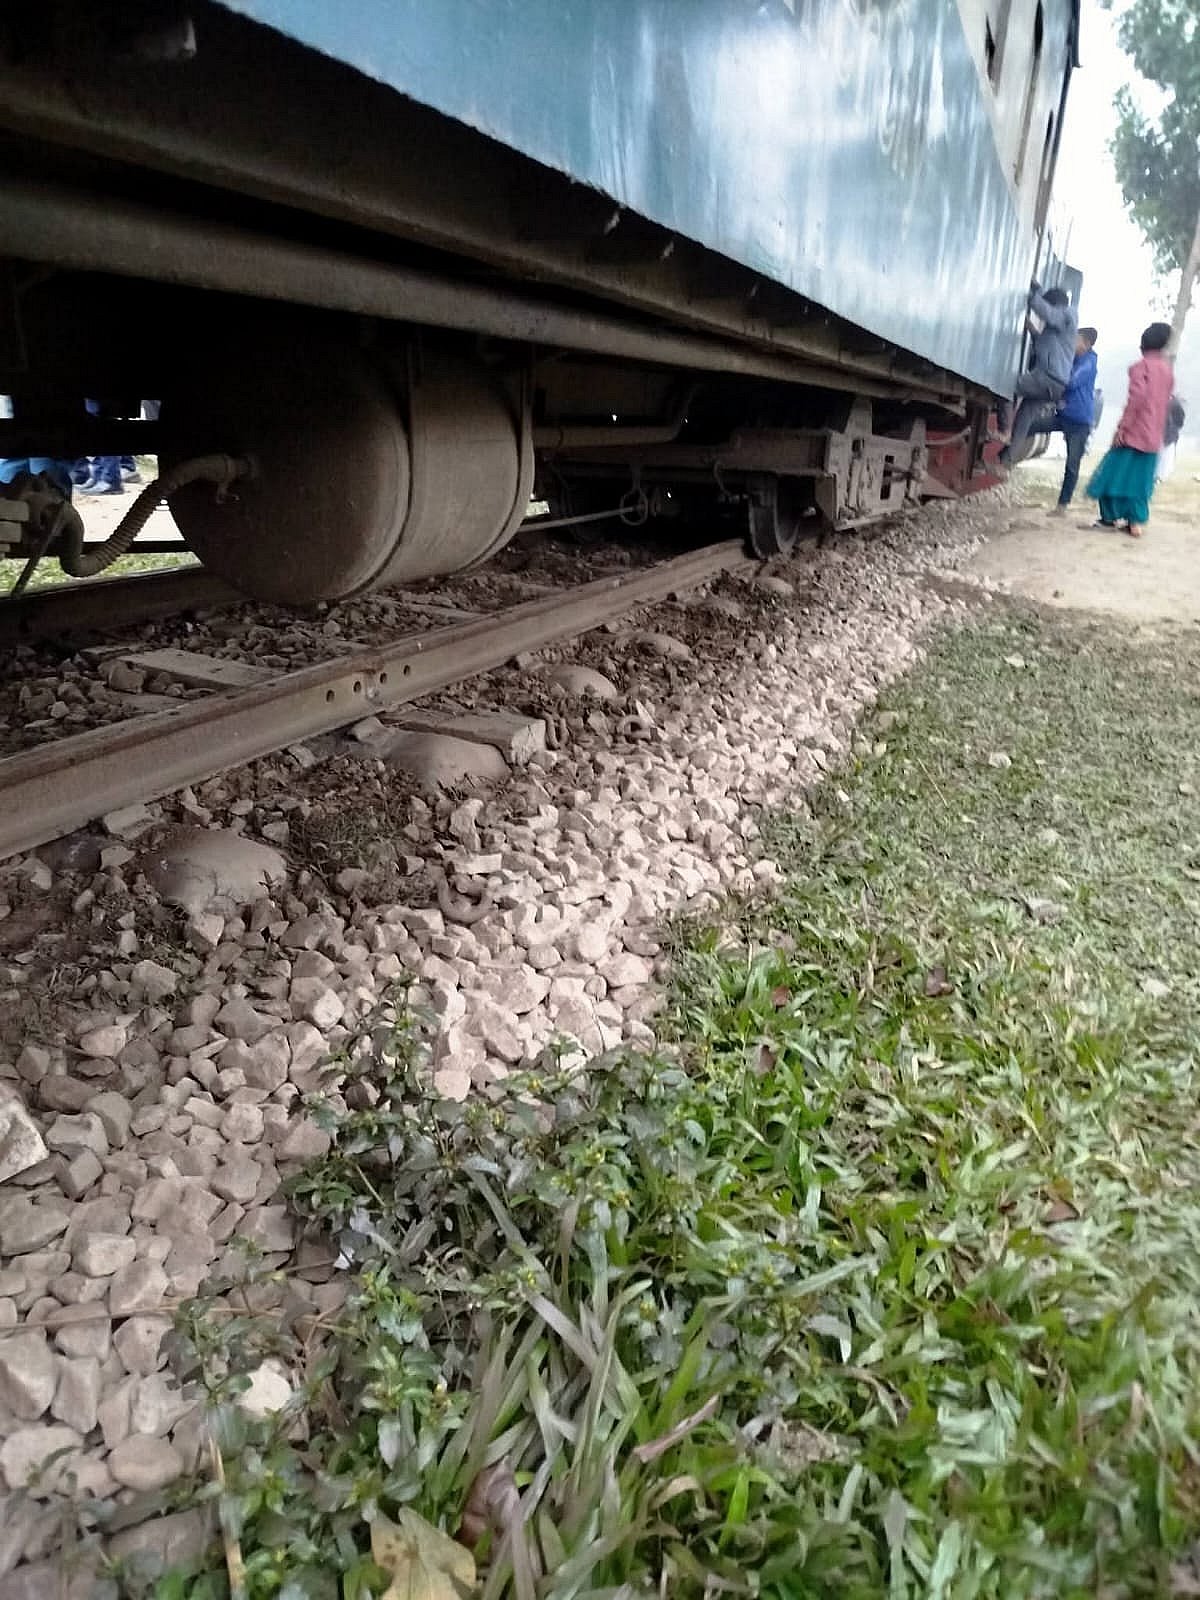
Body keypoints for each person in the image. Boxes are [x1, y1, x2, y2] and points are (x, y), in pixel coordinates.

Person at [1085, 321, 1174, 538]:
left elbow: (1137, 400)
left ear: (1143, 343)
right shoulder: (1167, 371)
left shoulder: (1140, 367)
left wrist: (1121, 430)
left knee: (1110, 476)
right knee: (1140, 481)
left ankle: (1109, 518)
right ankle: (1135, 521)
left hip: (1134, 433)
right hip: (1153, 435)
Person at [1019, 326, 1098, 515]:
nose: (1072, 342)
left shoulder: (1088, 363)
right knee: (1029, 427)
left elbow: (1069, 381)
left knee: (1072, 465)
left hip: (1079, 421)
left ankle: (1062, 506)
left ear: (1086, 344)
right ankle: (1004, 457)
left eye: (1076, 339)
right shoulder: (1077, 358)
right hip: (1064, 416)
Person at [999, 281, 1079, 466]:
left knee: (1005, 384)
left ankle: (1004, 430)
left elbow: (1049, 314)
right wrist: (1034, 331)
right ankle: (1005, 462)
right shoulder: (1063, 326)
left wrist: (1032, 296)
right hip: (1055, 384)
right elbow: (1049, 347)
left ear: (1057, 305)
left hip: (1048, 378)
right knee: (1025, 416)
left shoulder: (1067, 315)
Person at [1157, 395, 1186, 483]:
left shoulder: (1174, 404)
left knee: (1166, 457)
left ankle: (1160, 477)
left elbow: (1180, 421)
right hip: (1162, 434)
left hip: (1168, 435)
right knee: (1163, 457)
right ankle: (1159, 476)